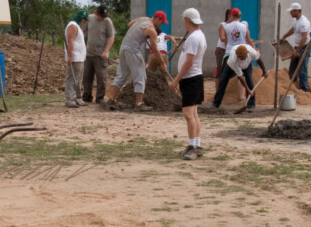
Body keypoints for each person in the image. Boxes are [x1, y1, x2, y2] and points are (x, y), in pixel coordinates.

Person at [104, 10, 165, 109]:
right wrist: (162, 63)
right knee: (140, 75)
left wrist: (141, 33)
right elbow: (154, 49)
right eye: (161, 22)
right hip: (132, 50)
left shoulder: (144, 19)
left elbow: (130, 24)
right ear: (157, 19)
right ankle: (139, 104)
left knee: (121, 75)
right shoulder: (151, 30)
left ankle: (111, 100)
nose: (161, 25)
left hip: (123, 48)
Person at [169, 8, 208, 159]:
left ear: (188, 21)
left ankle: (193, 146)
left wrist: (176, 79)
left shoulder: (193, 38)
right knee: (194, 114)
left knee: (188, 114)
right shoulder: (198, 35)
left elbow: (189, 62)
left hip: (191, 79)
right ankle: (195, 144)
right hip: (195, 78)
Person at [210, 8, 250, 107]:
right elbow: (223, 38)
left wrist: (236, 39)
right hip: (224, 51)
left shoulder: (238, 26)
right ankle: (217, 97)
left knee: (241, 75)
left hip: (234, 51)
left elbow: (242, 38)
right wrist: (234, 37)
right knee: (221, 74)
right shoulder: (224, 25)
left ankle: (243, 97)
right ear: (229, 15)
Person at [82, 6, 116, 102]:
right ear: (96, 12)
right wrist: (81, 44)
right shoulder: (90, 18)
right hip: (89, 54)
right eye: (100, 15)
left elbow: (111, 37)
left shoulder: (107, 21)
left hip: (100, 56)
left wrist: (105, 51)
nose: (102, 17)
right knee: (87, 76)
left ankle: (100, 97)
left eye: (104, 16)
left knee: (101, 77)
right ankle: (87, 96)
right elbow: (83, 31)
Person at [220, 42, 264, 112]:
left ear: (247, 53)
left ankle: (251, 105)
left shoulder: (252, 52)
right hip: (231, 66)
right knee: (223, 80)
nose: (241, 58)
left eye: (243, 56)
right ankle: (216, 103)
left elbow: (259, 60)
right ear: (236, 54)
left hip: (247, 65)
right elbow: (240, 77)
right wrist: (247, 89)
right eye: (239, 56)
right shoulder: (233, 60)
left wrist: (264, 71)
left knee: (249, 81)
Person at [282, 2, 311, 93]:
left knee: (302, 69)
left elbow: (304, 37)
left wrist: (298, 51)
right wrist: (284, 36)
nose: (290, 13)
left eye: (291, 11)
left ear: (296, 11)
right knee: (292, 70)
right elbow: (293, 29)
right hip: (297, 47)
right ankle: (295, 87)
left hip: (304, 47)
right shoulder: (296, 20)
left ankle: (304, 90)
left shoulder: (303, 22)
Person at [64, 9, 88, 107]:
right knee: (72, 79)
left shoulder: (77, 27)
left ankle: (78, 97)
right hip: (75, 56)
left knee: (78, 79)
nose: (85, 22)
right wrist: (70, 56)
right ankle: (70, 98)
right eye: (84, 19)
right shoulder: (73, 26)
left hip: (80, 57)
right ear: (81, 18)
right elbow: (70, 42)